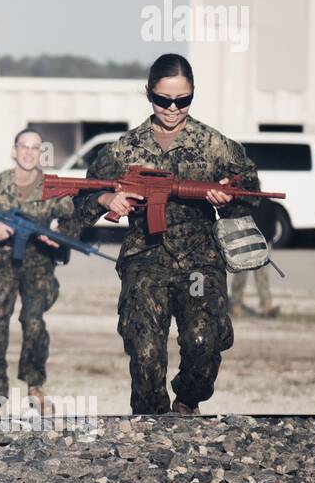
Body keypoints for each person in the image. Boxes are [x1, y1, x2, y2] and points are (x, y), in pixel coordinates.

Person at [64, 53, 263, 415]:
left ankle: (187, 403)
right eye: (163, 99)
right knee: (145, 354)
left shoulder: (216, 146)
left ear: (192, 95)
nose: (172, 109)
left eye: (182, 100)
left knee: (204, 343)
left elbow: (250, 195)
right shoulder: (124, 149)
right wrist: (109, 198)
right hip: (145, 260)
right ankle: (150, 429)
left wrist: (227, 198)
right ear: (148, 94)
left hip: (200, 262)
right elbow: (82, 198)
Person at [0, 129, 72, 417]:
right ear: (14, 151)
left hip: (39, 267)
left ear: (41, 153)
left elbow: (73, 220)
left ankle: (35, 386)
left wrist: (60, 234)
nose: (29, 153)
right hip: (0, 268)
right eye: (24, 147)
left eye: (35, 148)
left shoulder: (53, 187)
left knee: (33, 322)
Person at [229, 203, 279, 317]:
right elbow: (273, 229)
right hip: (254, 242)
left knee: (251, 275)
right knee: (250, 275)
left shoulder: (246, 203)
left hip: (253, 242)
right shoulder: (266, 204)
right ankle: (239, 305)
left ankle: (264, 305)